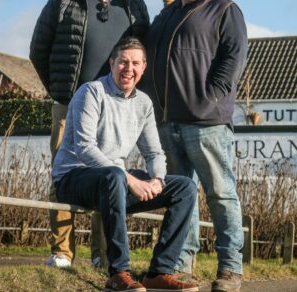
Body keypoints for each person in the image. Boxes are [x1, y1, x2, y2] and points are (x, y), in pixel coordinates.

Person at [29, 0, 149, 268]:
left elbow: (141, 57)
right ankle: (62, 252)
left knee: (109, 176)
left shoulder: (133, 5)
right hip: (69, 106)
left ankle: (102, 253)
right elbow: (38, 49)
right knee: (62, 175)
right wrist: (60, 91)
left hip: (113, 109)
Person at [52, 37, 198, 292]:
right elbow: (84, 148)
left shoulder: (143, 103)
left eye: (135, 63)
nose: (128, 69)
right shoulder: (91, 92)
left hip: (115, 183)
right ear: (112, 63)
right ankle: (118, 272)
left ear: (143, 68)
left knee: (184, 187)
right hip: (75, 178)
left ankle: (159, 273)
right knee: (115, 176)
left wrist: (157, 180)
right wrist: (130, 180)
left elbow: (154, 153)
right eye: (122, 62)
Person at [143, 0, 248, 292]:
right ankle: (182, 267)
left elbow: (233, 57)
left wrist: (212, 95)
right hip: (167, 123)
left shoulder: (225, 10)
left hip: (207, 123)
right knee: (180, 197)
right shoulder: (166, 15)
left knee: (220, 194)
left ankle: (230, 269)